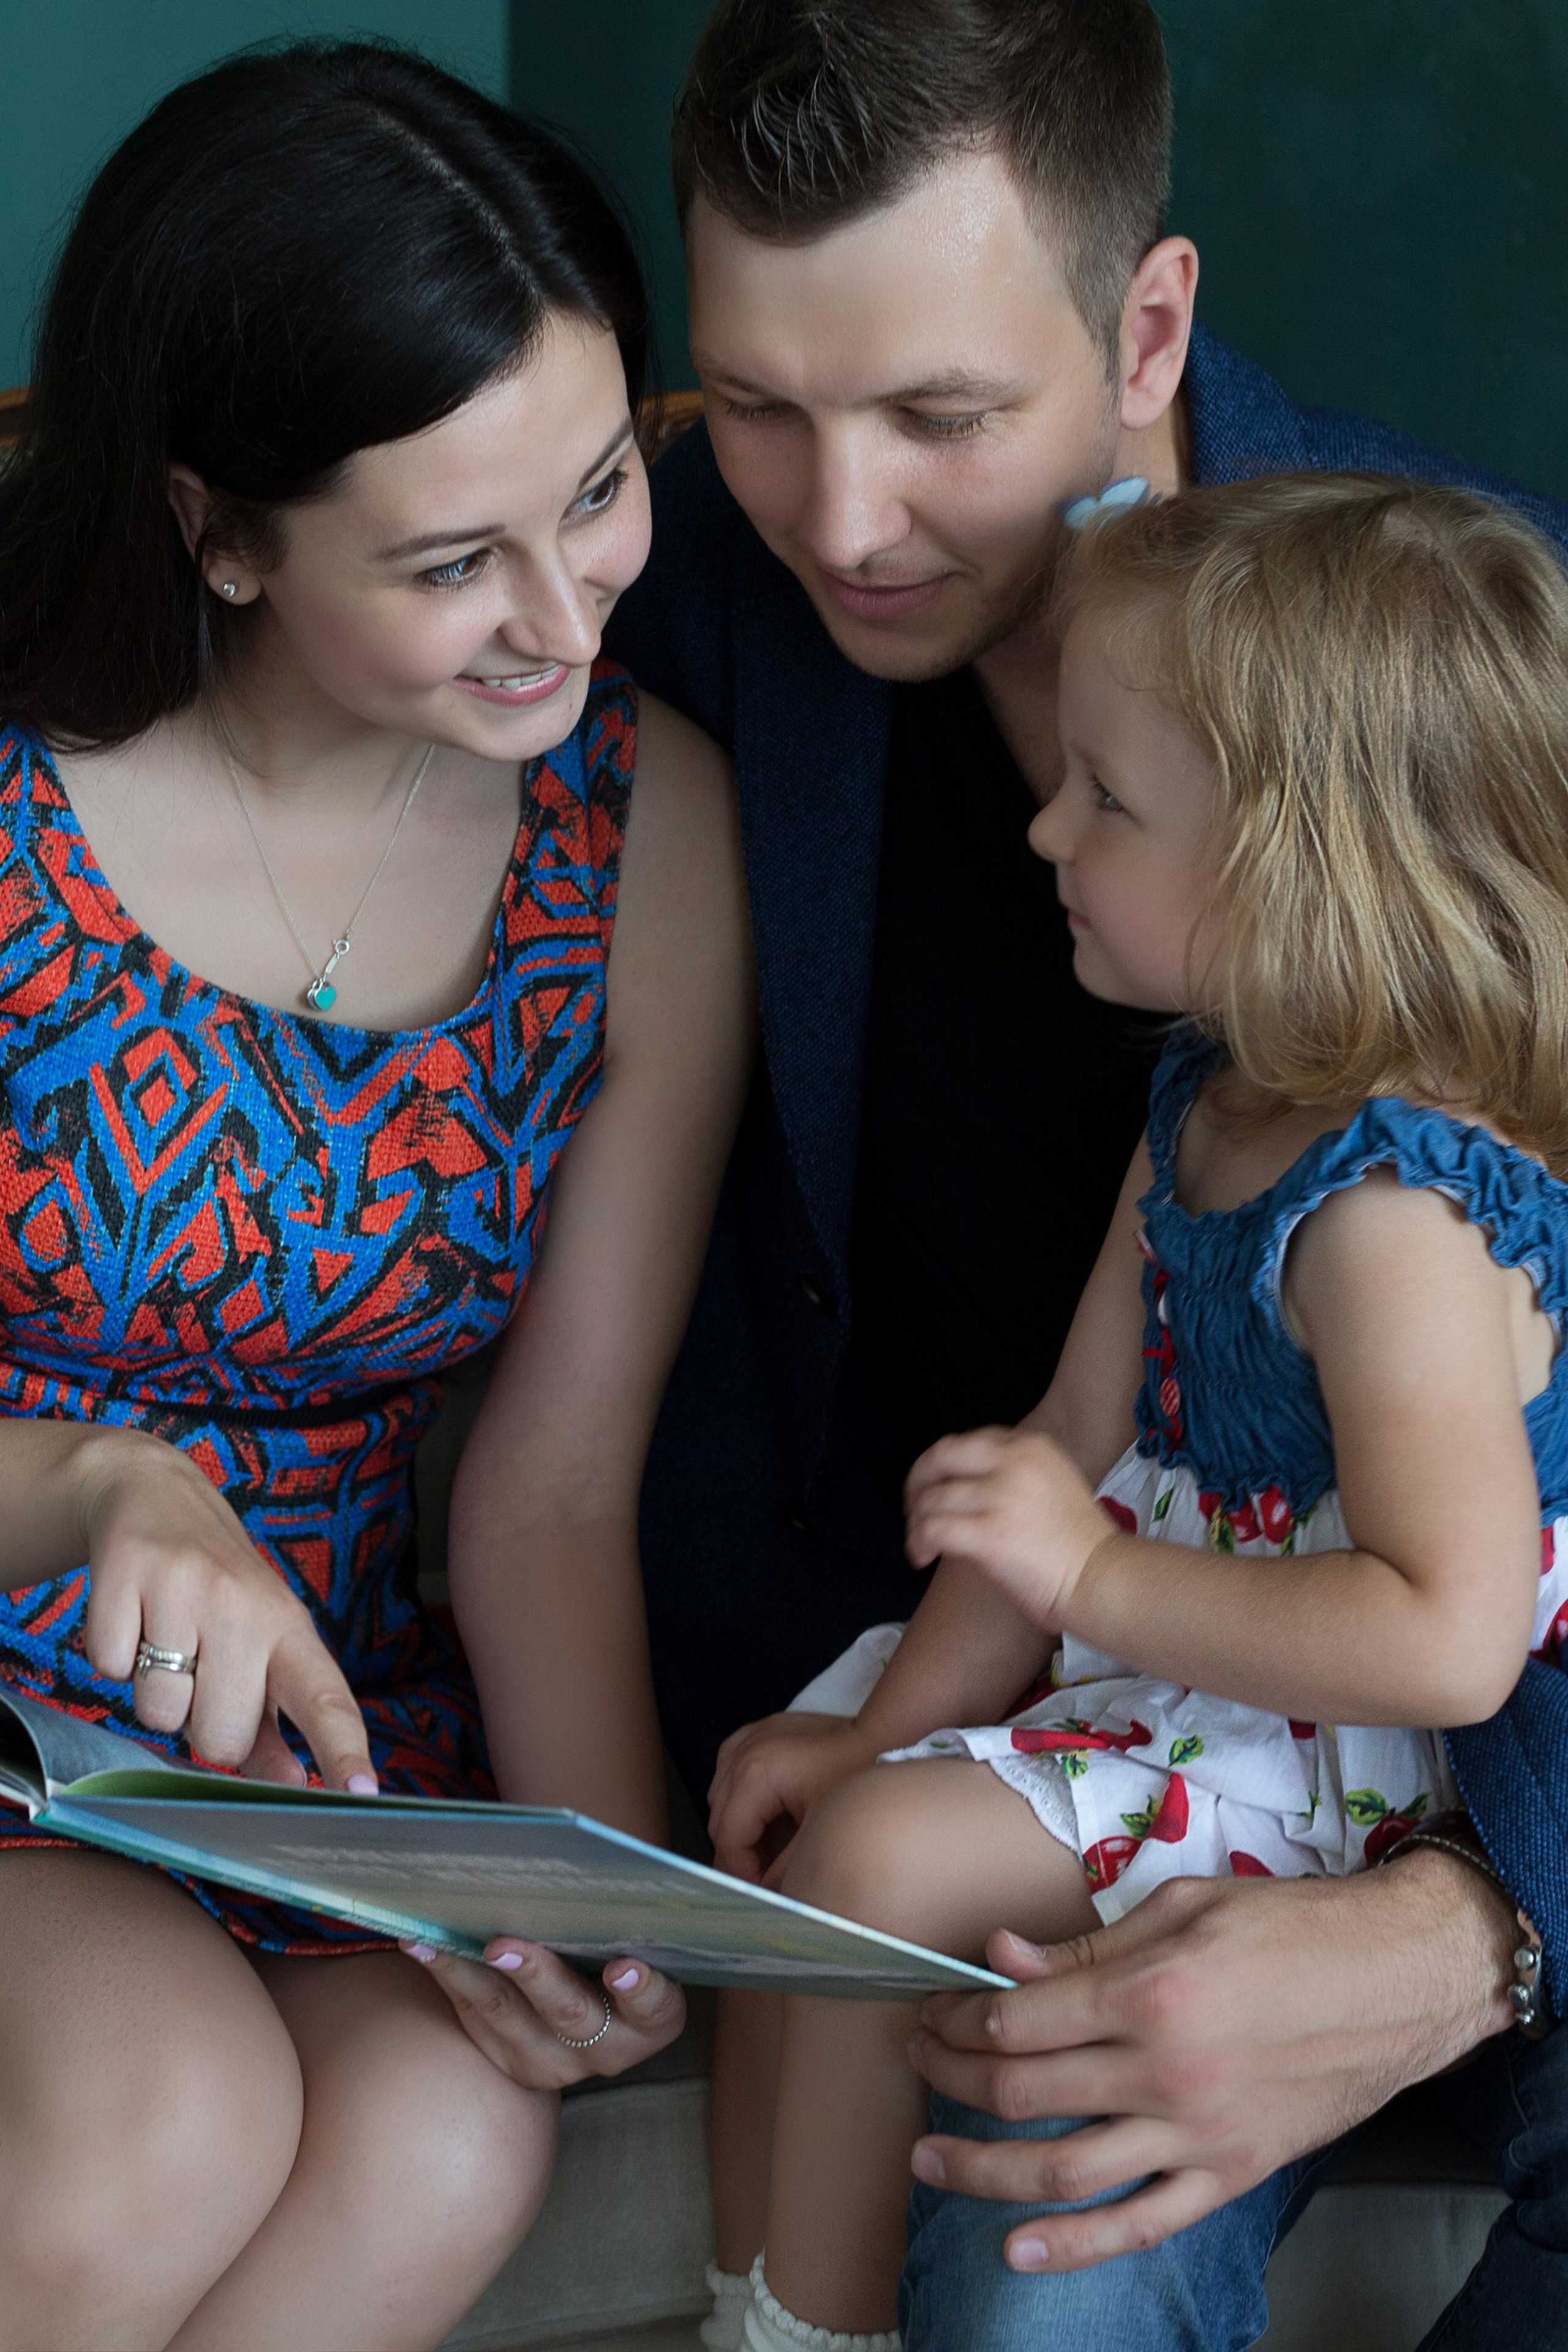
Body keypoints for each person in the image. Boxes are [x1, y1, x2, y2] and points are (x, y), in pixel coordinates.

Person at [596, 1, 1568, 2343]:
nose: (840, 519)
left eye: (940, 417)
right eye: (755, 406)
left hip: (1431, 1752)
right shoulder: (665, 582)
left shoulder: (1452, 656)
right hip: (974, 1690)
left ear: (1150, 323)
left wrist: (1473, 1931)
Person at [0, 43, 749, 2352]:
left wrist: (601, 1906)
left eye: (602, 490)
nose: (563, 613)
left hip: (316, 1755)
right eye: (450, 561)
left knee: (458, 2127)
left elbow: (550, 1484)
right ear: (218, 528)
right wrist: (97, 1486)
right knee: (169, 2109)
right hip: (20, 1688)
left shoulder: (648, 840)